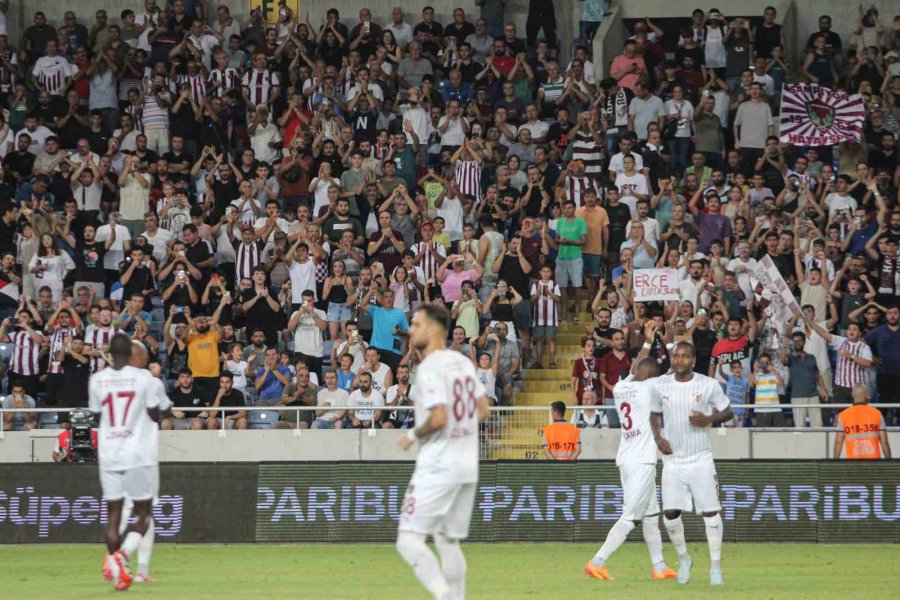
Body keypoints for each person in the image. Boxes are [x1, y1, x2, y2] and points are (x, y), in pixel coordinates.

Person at [395, 302, 490, 600]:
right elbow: (484, 409)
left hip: (438, 463)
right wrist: (460, 430)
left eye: (417, 324)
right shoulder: (461, 362)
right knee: (447, 540)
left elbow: (438, 417)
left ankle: (443, 595)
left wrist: (412, 435)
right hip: (467, 463)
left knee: (408, 540)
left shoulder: (429, 368)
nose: (411, 329)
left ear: (434, 329)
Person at [586, 322, 678, 580]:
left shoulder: (621, 387)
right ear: (652, 376)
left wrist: (648, 341)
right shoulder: (650, 388)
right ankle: (597, 561)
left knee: (651, 515)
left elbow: (638, 367)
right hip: (641, 461)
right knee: (631, 517)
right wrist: (669, 342)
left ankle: (659, 567)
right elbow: (678, 370)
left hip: (627, 457)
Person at [651, 341, 733, 586]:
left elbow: (728, 411)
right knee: (670, 514)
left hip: (700, 458)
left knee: (711, 512)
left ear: (693, 360)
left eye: (685, 356)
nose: (679, 360)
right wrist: (658, 438)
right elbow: (654, 414)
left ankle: (715, 568)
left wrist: (709, 418)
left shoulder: (708, 385)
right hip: (673, 460)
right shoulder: (661, 384)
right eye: (676, 356)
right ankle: (684, 558)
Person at [88, 334, 163, 591]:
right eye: (143, 353)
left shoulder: (101, 380)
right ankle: (127, 560)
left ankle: (118, 564)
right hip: (141, 456)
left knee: (117, 514)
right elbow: (158, 413)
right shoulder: (147, 381)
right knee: (145, 514)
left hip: (112, 454)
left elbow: (96, 414)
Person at [833, 383, 891, 459]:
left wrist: (835, 461)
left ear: (852, 395)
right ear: (866, 395)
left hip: (853, 462)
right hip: (874, 462)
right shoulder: (877, 414)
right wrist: (889, 460)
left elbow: (838, 442)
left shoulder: (843, 416)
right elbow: (884, 441)